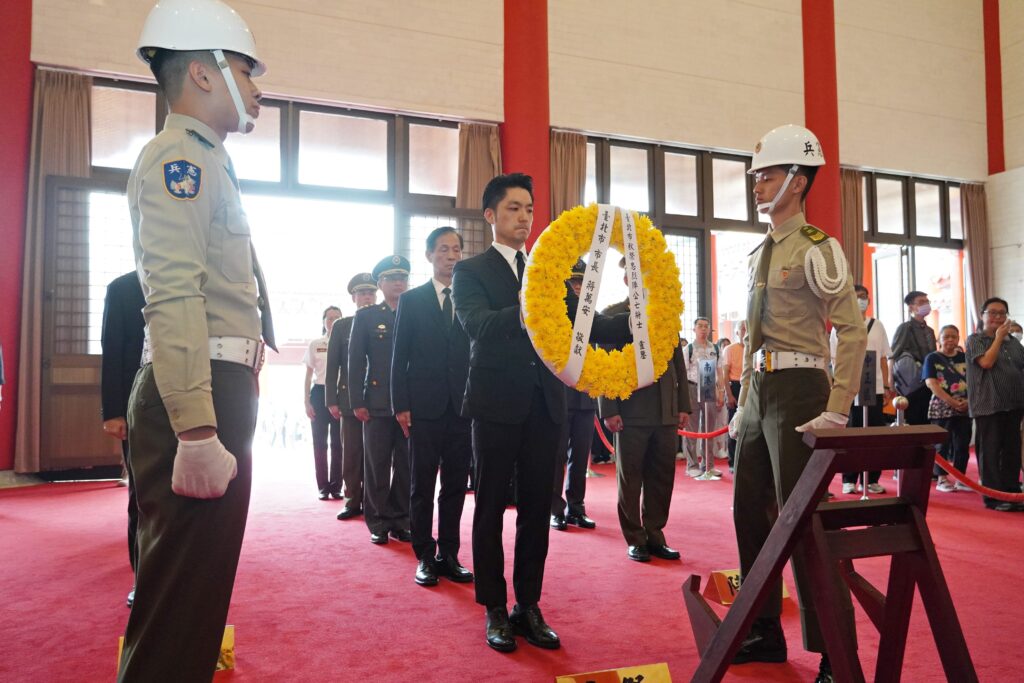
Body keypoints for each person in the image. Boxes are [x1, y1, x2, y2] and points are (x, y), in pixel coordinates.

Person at [119, 1, 276, 680]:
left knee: (197, 595)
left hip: (217, 386)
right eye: (247, 69)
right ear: (206, 75)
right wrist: (195, 428)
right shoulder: (177, 159)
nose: (258, 87)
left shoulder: (208, 161)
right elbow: (175, 296)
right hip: (197, 392)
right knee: (179, 599)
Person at [451, 173, 630, 653]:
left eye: (529, 208)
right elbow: (478, 327)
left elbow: (585, 324)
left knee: (537, 509)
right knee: (489, 507)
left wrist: (640, 315)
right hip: (494, 404)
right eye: (513, 208)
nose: (524, 217)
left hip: (545, 406)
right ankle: (493, 606)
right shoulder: (471, 271)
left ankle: (527, 605)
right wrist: (532, 306)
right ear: (490, 215)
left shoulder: (548, 269)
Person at [728, 124, 867, 682]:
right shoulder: (760, 251)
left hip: (803, 391)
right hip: (761, 394)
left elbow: (851, 331)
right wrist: (743, 400)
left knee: (803, 520)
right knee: (748, 514)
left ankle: (835, 649)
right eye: (756, 175)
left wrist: (839, 404)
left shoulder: (818, 248)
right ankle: (763, 630)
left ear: (797, 179)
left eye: (766, 175)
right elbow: (752, 336)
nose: (757, 184)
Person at [391, 226, 474, 587]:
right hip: (423, 407)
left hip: (463, 408)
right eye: (443, 250)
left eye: (456, 250)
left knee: (456, 484)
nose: (451, 256)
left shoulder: (471, 299)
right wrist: (400, 404)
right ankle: (424, 554)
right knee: (421, 485)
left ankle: (450, 554)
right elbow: (399, 357)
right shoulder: (413, 300)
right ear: (429, 256)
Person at [599, 294, 691, 562]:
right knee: (630, 479)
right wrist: (610, 409)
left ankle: (655, 534)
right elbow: (604, 365)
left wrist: (682, 405)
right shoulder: (613, 313)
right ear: (628, 278)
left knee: (662, 479)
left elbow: (678, 363)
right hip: (630, 410)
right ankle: (635, 538)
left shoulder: (666, 309)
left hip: (665, 410)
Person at [349, 255, 411, 544]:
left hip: (410, 403)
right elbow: (356, 362)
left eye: (403, 277)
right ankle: (378, 522)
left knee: (406, 464)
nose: (399, 282)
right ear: (381, 283)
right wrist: (357, 401)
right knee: (377, 464)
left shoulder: (416, 311)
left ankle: (401, 519)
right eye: (392, 278)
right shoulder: (367, 316)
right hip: (376, 401)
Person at [100, 271, 147, 608]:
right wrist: (114, 412)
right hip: (136, 407)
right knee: (142, 497)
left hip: (186, 403)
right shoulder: (122, 288)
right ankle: (142, 578)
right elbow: (112, 350)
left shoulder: (192, 280)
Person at [831, 284, 893, 495]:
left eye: (864, 297)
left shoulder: (877, 325)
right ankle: (849, 478)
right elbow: (834, 359)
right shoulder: (839, 326)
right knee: (852, 433)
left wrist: (886, 385)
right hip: (850, 389)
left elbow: (884, 358)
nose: (861, 300)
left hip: (873, 388)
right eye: (856, 297)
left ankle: (872, 478)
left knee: (875, 434)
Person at [325, 272, 378, 520]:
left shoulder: (385, 320)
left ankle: (372, 500)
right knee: (352, 452)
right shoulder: (342, 326)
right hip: (348, 399)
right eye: (362, 293)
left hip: (378, 399)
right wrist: (331, 400)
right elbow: (332, 365)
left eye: (371, 292)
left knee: (376, 453)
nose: (367, 297)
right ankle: (352, 499)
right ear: (354, 297)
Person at [551, 259, 599, 532]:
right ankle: (555, 508)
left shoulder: (593, 316)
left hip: (585, 396)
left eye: (582, 283)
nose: (578, 287)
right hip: (559, 395)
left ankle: (576, 507)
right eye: (573, 283)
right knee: (557, 455)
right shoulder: (556, 317)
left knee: (580, 456)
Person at [965, 298, 1024, 512]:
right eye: (992, 313)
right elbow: (986, 363)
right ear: (982, 315)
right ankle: (993, 497)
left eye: (1002, 313)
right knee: (990, 452)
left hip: (1014, 404)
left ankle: (1011, 492)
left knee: (1011, 451)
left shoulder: (1014, 343)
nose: (997, 318)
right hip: (988, 404)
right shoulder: (975, 340)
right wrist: (998, 338)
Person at [923, 325, 971, 493]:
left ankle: (960, 478)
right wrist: (951, 401)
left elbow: (974, 381)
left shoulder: (965, 357)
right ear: (939, 340)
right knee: (941, 445)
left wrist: (967, 402)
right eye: (946, 337)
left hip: (965, 406)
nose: (950, 340)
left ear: (958, 338)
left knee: (962, 444)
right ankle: (941, 478)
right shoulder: (932, 358)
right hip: (941, 406)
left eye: (954, 336)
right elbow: (931, 383)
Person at [303, 306, 342, 500]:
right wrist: (306, 401)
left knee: (338, 443)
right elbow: (308, 374)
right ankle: (322, 487)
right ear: (323, 321)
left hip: (340, 395)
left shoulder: (347, 342)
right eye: (329, 318)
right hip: (319, 393)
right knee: (320, 443)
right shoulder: (316, 344)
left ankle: (336, 486)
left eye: (337, 318)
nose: (333, 321)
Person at [682, 317, 724, 476]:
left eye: (706, 326)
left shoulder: (716, 348)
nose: (703, 329)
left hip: (709, 389)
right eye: (700, 326)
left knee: (709, 429)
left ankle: (709, 465)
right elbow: (683, 373)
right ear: (694, 329)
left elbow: (720, 371)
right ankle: (692, 465)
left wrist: (721, 392)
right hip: (692, 388)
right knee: (691, 429)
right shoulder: (689, 349)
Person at [889, 291, 936, 425]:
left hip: (929, 380)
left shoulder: (930, 331)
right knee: (913, 418)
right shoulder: (905, 328)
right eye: (921, 302)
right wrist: (890, 381)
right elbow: (893, 355)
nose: (925, 305)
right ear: (910, 307)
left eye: (927, 302)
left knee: (927, 418)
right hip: (911, 383)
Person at [722, 321, 746, 471]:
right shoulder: (730, 349)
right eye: (742, 329)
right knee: (734, 425)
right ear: (737, 332)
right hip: (735, 386)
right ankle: (732, 462)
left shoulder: (754, 348)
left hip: (750, 386)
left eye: (747, 328)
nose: (745, 331)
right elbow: (725, 375)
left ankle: (745, 460)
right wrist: (729, 395)